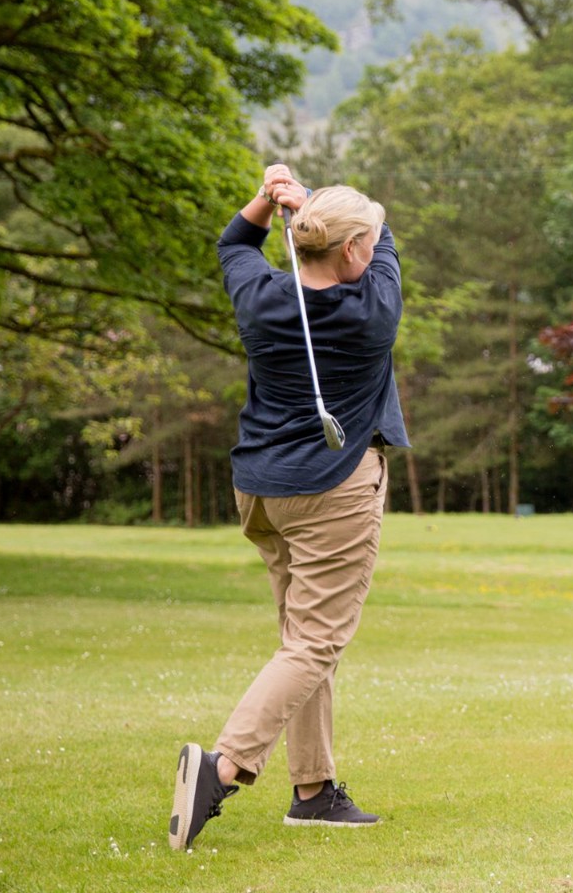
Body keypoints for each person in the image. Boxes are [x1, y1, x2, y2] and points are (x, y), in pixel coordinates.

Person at [170, 164, 409, 850]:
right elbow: (382, 232)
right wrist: (309, 205)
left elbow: (233, 247)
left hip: (262, 491)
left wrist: (266, 198)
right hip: (333, 489)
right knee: (314, 643)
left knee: (301, 644)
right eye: (361, 243)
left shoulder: (261, 298)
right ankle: (224, 767)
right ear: (353, 253)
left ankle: (314, 792)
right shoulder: (374, 312)